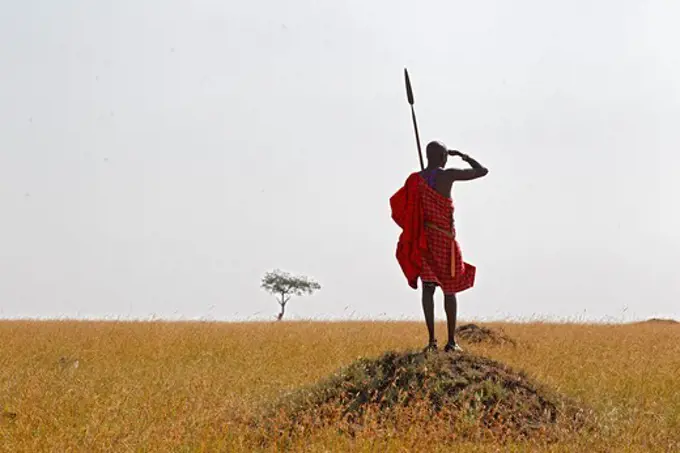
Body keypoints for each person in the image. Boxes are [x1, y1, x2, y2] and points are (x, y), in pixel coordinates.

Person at [390, 140, 488, 352]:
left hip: (424, 240)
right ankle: (451, 342)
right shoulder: (446, 175)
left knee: (428, 288)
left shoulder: (415, 180)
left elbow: (400, 206)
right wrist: (463, 155)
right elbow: (482, 171)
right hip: (444, 240)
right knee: (449, 289)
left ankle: (432, 341)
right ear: (443, 157)